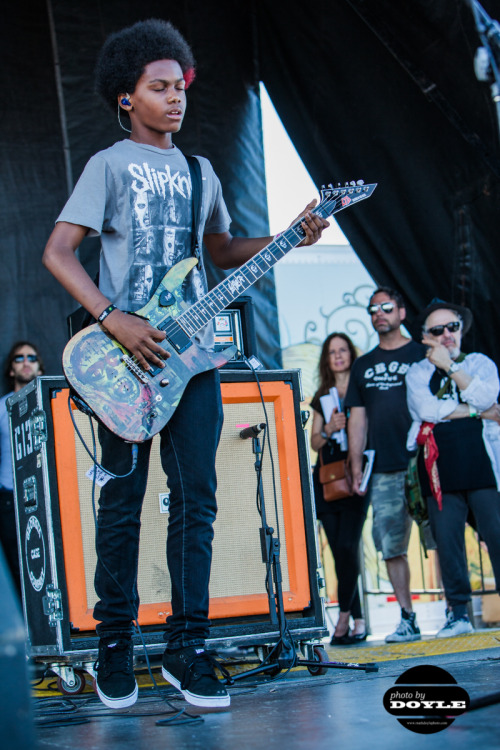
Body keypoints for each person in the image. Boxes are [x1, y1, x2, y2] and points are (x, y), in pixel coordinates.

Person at [41, 19, 328, 710]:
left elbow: (220, 251)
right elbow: (57, 251)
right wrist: (112, 316)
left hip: (194, 362)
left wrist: (290, 234)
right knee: (122, 503)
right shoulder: (108, 165)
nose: (176, 99)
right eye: (159, 87)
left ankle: (187, 648)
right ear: (126, 96)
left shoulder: (201, 172)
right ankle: (114, 643)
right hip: (124, 359)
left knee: (197, 500)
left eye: (181, 87)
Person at [406, 299, 500, 637]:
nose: (446, 334)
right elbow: (426, 410)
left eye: (452, 326)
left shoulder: (479, 363)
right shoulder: (417, 372)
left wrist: (450, 366)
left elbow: (488, 396)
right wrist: (476, 412)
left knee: (497, 536)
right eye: (438, 329)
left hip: (483, 467)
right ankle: (458, 614)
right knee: (448, 544)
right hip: (439, 470)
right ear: (425, 336)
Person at [345, 287, 426, 643]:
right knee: (391, 546)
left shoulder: (423, 353)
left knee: (446, 537)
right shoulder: (363, 365)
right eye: (373, 309)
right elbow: (357, 419)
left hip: (427, 463)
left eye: (387, 307)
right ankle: (407, 617)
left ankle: (457, 612)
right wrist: (355, 464)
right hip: (384, 469)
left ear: (402, 312)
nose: (379, 313)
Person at [310, 333, 369, 644]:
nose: (338, 356)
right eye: (332, 352)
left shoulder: (363, 390)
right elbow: (314, 442)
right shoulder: (323, 395)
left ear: (351, 354)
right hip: (328, 480)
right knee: (339, 552)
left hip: (357, 474)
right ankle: (359, 620)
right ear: (326, 359)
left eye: (343, 349)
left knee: (348, 545)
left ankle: (344, 618)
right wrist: (329, 429)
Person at [0, 342, 44, 592]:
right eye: (19, 358)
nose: (26, 362)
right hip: (9, 497)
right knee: (17, 567)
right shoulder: (1, 407)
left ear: (40, 368)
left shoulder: (51, 404)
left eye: (31, 357)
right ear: (11, 369)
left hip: (45, 497)